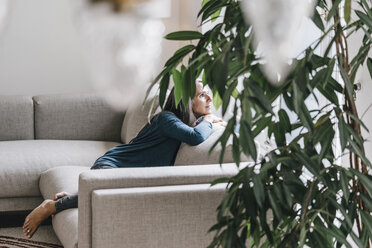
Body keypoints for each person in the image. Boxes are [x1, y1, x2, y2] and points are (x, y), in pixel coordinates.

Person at [22, 81, 225, 239]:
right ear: (185, 100)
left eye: (207, 92)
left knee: (107, 190)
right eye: (201, 94)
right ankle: (52, 206)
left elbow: (195, 131)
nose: (208, 97)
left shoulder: (182, 124)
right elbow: (195, 137)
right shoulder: (166, 119)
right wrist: (208, 120)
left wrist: (205, 120)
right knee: (107, 189)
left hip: (122, 172)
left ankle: (77, 194)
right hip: (114, 165)